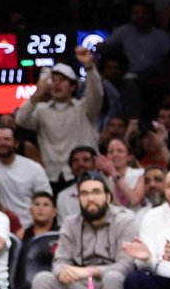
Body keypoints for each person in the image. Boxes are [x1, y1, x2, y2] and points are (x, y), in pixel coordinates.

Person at [31, 172, 138, 289]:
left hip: (109, 283)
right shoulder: (70, 223)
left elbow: (127, 266)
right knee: (42, 280)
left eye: (96, 192)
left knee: (113, 278)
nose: (90, 198)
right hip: (79, 282)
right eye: (84, 194)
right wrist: (62, 272)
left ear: (108, 197)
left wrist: (90, 271)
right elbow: (60, 261)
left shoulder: (126, 221)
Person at [17, 48, 104, 188]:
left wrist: (89, 65)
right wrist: (37, 94)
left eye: (62, 80)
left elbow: (97, 94)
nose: (57, 84)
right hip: (52, 177)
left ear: (72, 86)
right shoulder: (41, 110)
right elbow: (20, 120)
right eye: (54, 80)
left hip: (84, 175)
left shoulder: (84, 108)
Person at [0, 126, 52, 218]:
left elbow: (46, 197)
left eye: (7, 139)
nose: (2, 143)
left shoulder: (34, 168)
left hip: (28, 224)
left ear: (16, 143)